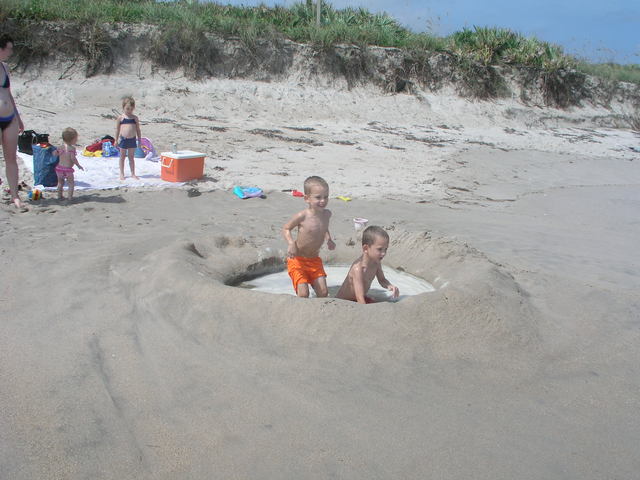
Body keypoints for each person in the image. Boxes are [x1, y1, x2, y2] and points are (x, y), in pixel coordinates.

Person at [282, 175, 336, 297]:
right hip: (297, 260)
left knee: (323, 293)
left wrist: (329, 239)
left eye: (326, 197)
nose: (323, 201)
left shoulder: (327, 214)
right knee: (303, 294)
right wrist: (291, 243)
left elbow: (324, 227)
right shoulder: (303, 216)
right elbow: (286, 228)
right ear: (307, 198)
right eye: (318, 197)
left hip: (314, 260)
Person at [336, 225, 399, 304]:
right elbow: (360, 298)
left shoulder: (376, 263)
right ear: (365, 248)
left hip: (358, 299)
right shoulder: (358, 269)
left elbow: (382, 280)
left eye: (385, 249)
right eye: (379, 249)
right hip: (343, 302)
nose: (383, 253)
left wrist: (389, 286)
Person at [0, 34, 26, 209]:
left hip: (9, 118)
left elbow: (9, 94)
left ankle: (15, 196)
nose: (11, 52)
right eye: (9, 48)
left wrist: (18, 116)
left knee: (11, 158)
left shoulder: (5, 67)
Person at [52, 127, 83, 201]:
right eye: (76, 139)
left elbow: (55, 154)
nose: (77, 140)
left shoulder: (60, 147)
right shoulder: (72, 149)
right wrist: (78, 165)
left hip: (59, 169)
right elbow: (73, 158)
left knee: (60, 183)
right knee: (71, 184)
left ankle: (59, 196)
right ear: (72, 140)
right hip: (68, 170)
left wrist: (55, 152)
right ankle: (70, 198)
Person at [114, 96, 141, 181]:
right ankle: (122, 173)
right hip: (123, 139)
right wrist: (116, 140)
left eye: (131, 109)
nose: (129, 111)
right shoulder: (121, 118)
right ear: (123, 107)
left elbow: (138, 129)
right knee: (122, 156)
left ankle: (133, 173)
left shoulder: (135, 118)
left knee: (131, 157)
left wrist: (139, 140)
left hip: (132, 139)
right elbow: (117, 130)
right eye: (127, 109)